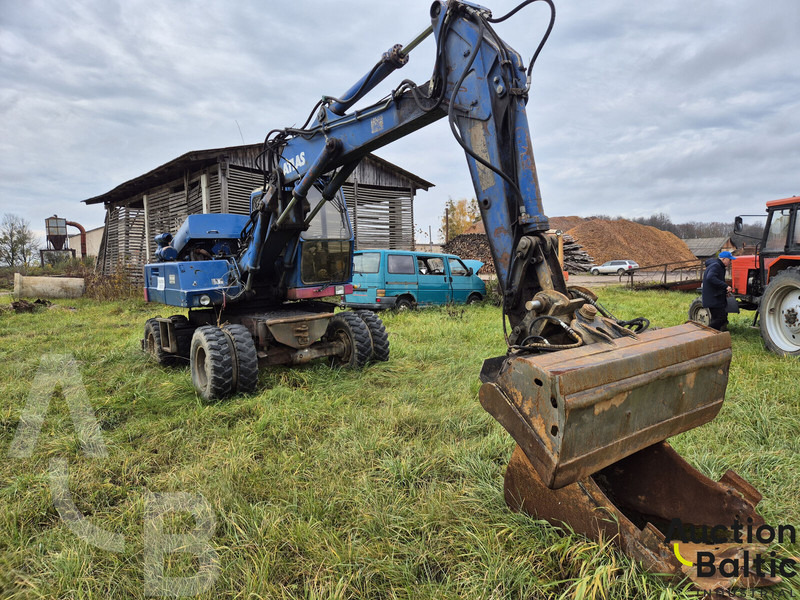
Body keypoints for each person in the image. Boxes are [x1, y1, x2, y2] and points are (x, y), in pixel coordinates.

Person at [702, 250, 735, 331]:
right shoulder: (716, 266)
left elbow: (717, 282)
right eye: (729, 260)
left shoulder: (719, 266)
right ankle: (706, 332)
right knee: (721, 318)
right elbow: (710, 277)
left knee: (718, 318)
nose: (730, 262)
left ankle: (713, 335)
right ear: (724, 259)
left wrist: (724, 291)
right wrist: (725, 286)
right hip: (713, 298)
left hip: (716, 297)